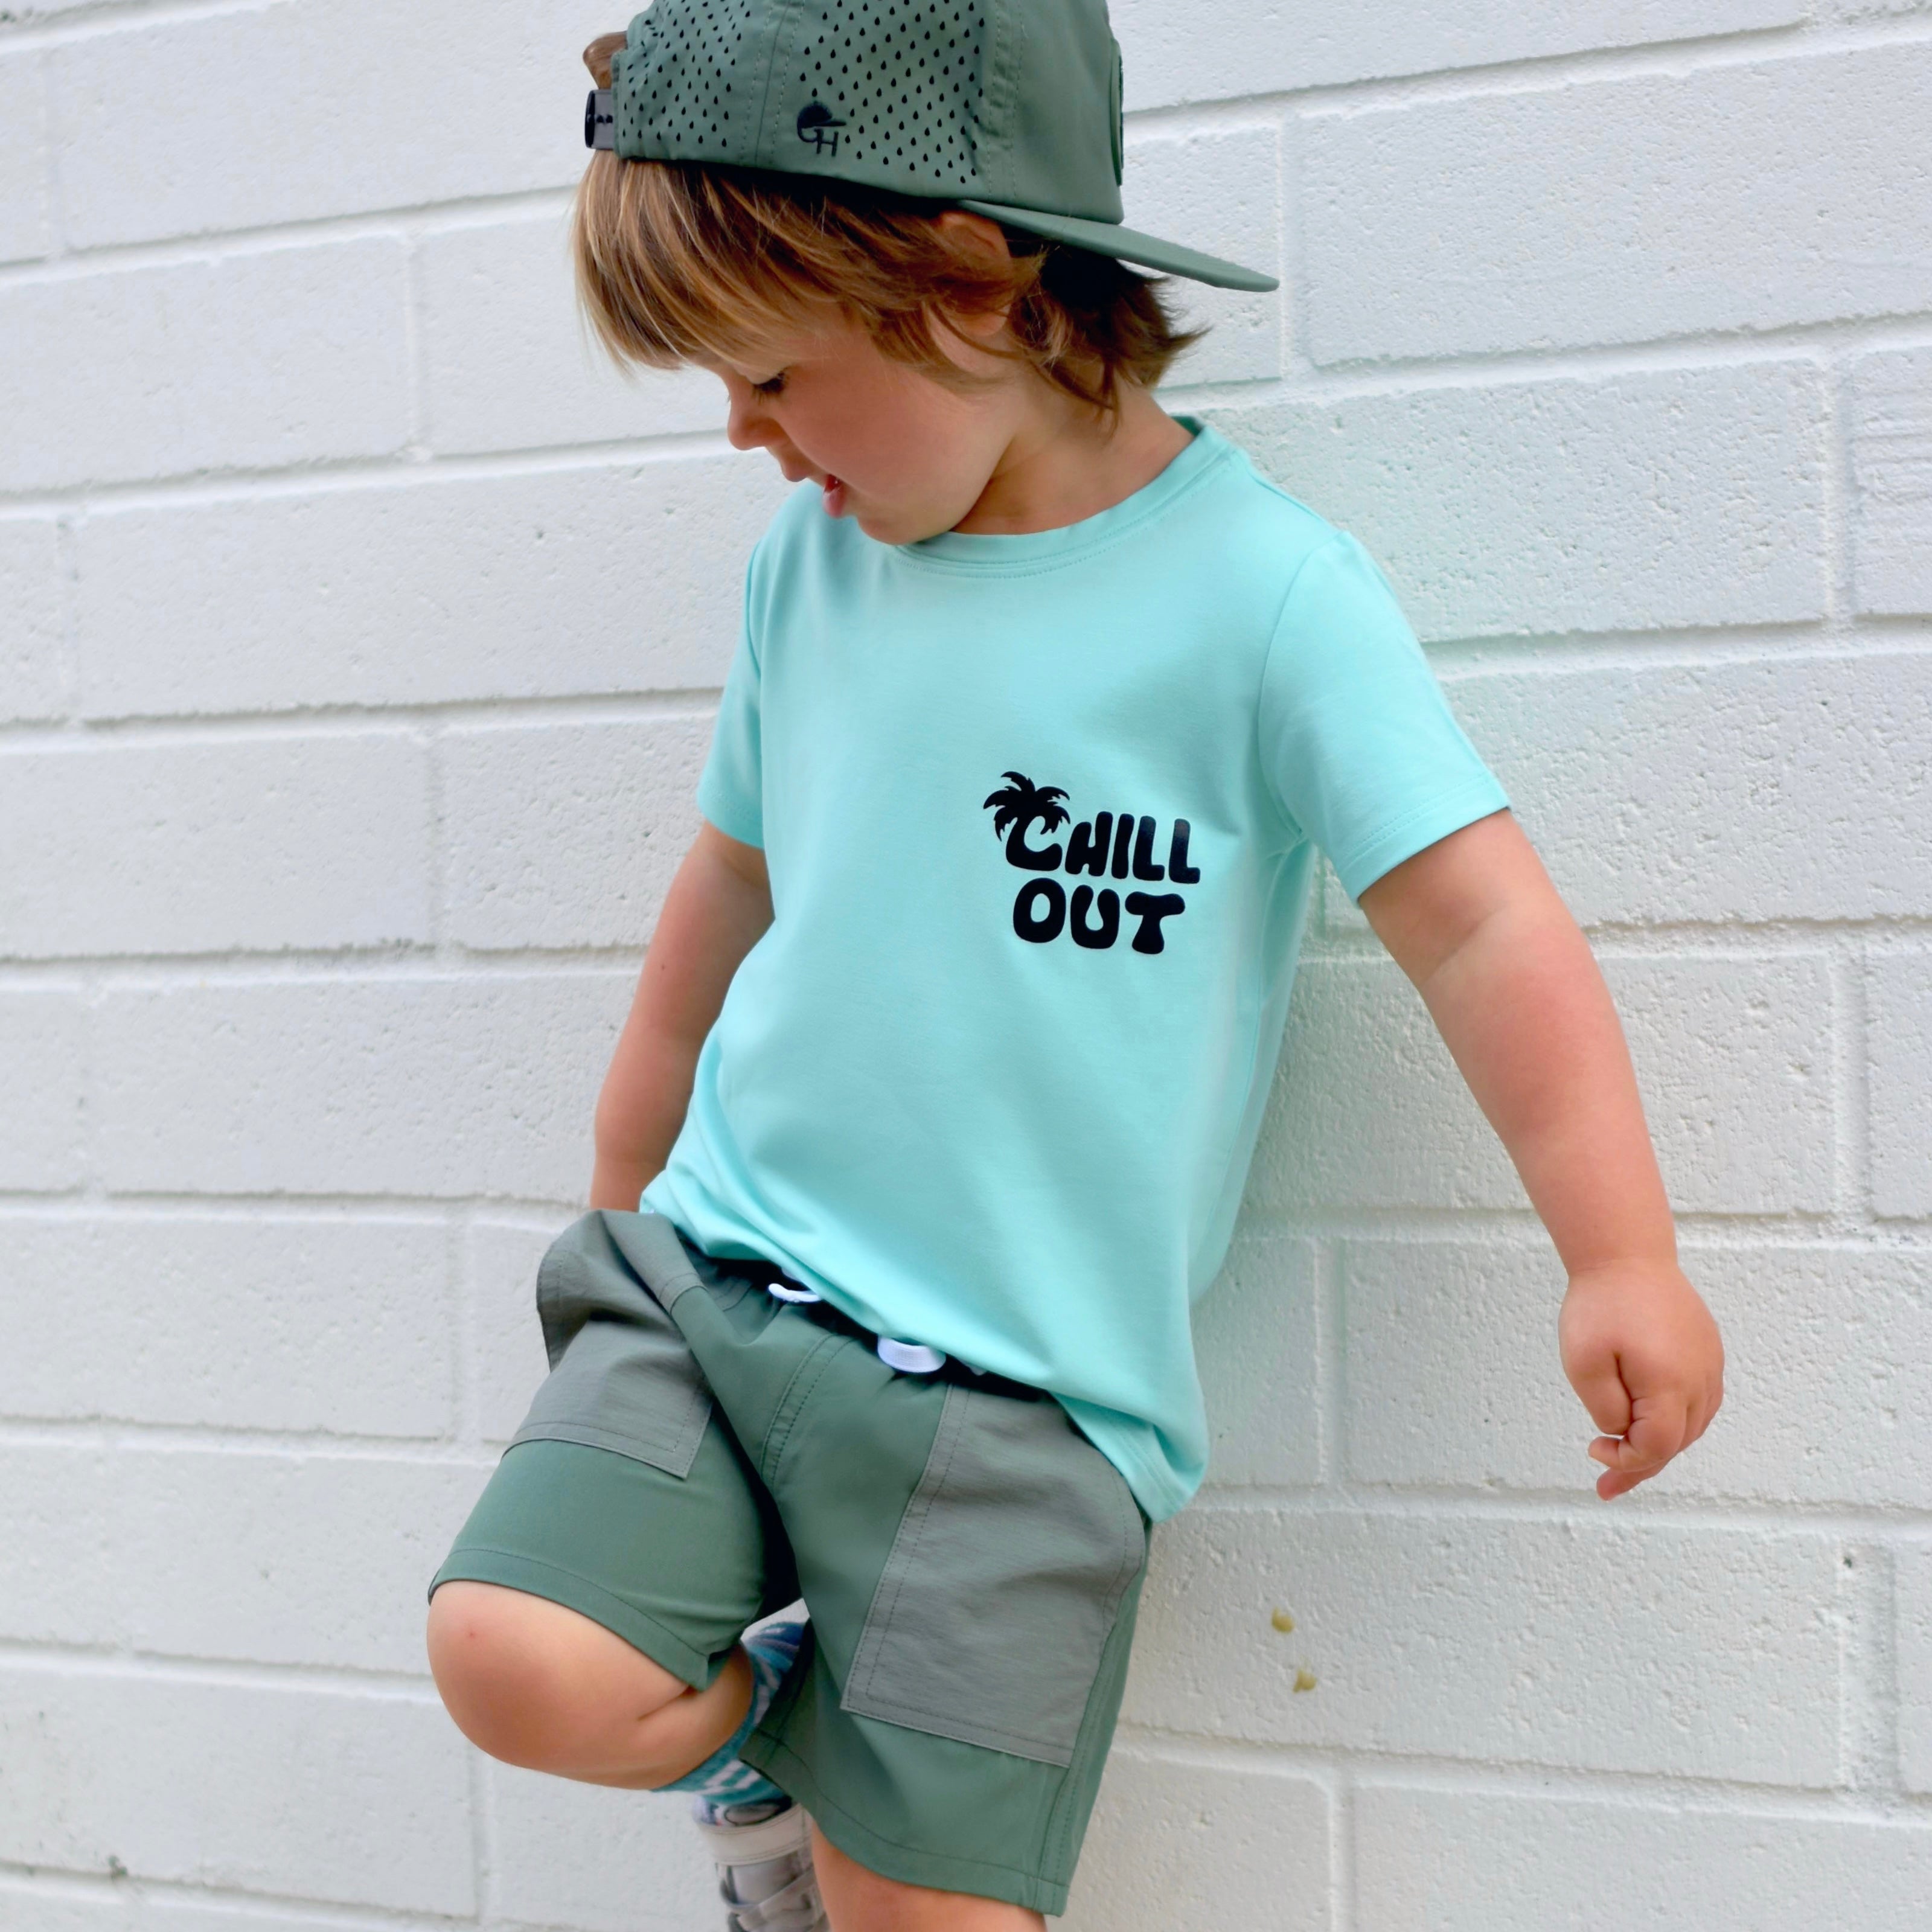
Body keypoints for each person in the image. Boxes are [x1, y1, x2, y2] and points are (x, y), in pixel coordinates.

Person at [424, 5, 1726, 1928]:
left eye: (771, 374)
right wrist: (620, 1197)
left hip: (1022, 1414)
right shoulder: (810, 573)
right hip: (723, 1285)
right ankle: (769, 1734)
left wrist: (1622, 1253)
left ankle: (850, 1787)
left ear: (969, 284)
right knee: (514, 1655)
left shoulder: (1264, 597)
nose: (745, 436)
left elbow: (1480, 923)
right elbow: (721, 901)